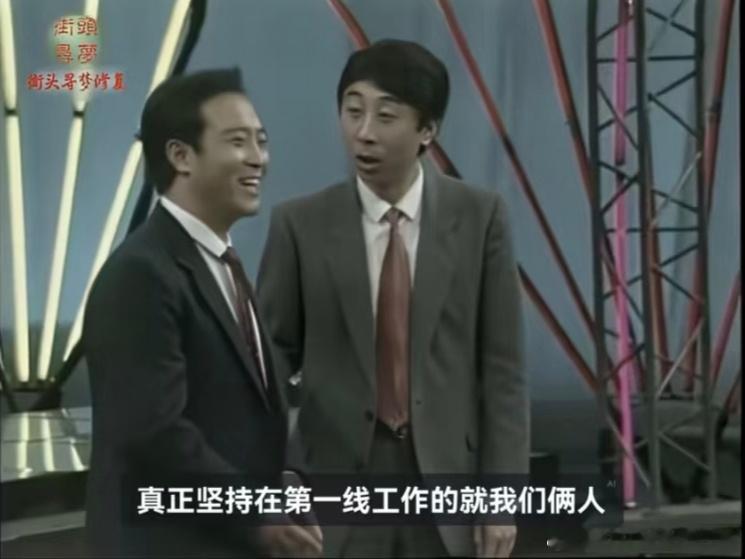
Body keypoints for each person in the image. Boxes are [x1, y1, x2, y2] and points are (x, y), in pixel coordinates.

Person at [256, 40, 529, 558]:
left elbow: (503, 370)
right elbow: (266, 366)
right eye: (352, 111)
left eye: (386, 116)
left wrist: (501, 497)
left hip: (447, 484)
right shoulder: (299, 224)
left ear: (427, 130)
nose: (364, 132)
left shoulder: (480, 217)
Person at [83, 68, 322, 558]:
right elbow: (153, 432)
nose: (258, 158)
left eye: (261, 141)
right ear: (181, 156)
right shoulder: (141, 274)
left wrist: (288, 478)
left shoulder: (223, 263)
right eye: (237, 142)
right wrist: (255, 515)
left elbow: (252, 410)